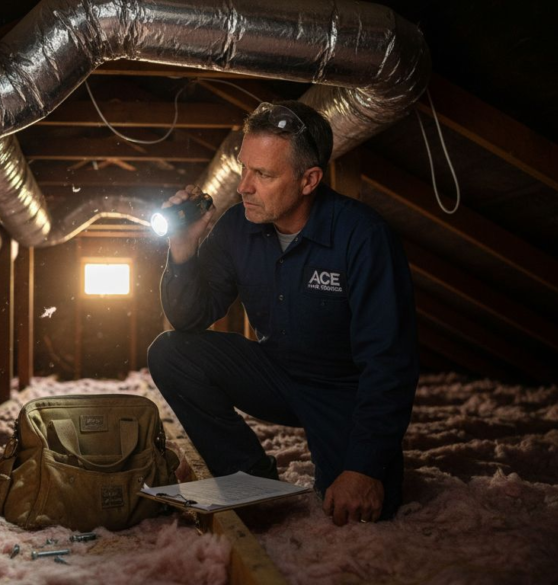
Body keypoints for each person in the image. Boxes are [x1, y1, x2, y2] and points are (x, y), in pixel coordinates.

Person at [147, 100, 419, 525]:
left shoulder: (363, 236)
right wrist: (182, 252)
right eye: (244, 169)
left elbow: (390, 362)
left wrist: (364, 467)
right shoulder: (238, 226)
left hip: (341, 392)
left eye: (264, 175)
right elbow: (189, 319)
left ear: (309, 180)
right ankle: (248, 475)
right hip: (276, 373)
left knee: (355, 509)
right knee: (171, 352)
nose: (243, 187)